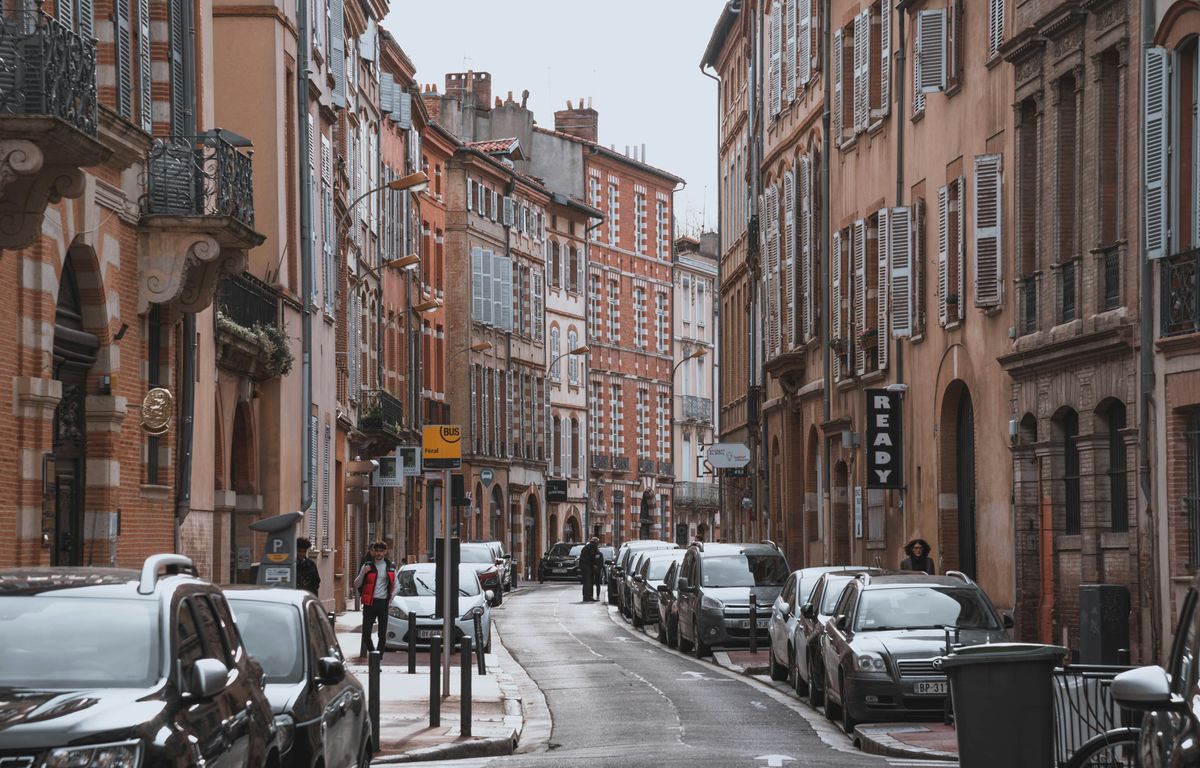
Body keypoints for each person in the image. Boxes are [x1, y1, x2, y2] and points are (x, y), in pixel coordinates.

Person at [353, 541, 398, 657]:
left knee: (382, 635)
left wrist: (390, 599)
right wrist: (363, 572)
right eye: (377, 551)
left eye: (381, 551)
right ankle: (374, 654)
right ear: (373, 552)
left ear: (385, 552)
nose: (379, 553)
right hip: (369, 603)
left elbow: (397, 586)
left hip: (383, 603)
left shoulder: (390, 567)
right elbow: (356, 584)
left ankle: (378, 659)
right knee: (366, 634)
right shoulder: (367, 566)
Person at [580, 537, 600, 602]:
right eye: (598, 542)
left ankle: (585, 596)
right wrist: (595, 564)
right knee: (589, 581)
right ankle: (589, 597)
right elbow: (593, 556)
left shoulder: (586, 547)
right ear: (596, 542)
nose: (598, 544)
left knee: (585, 582)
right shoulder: (593, 546)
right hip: (588, 566)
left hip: (583, 565)